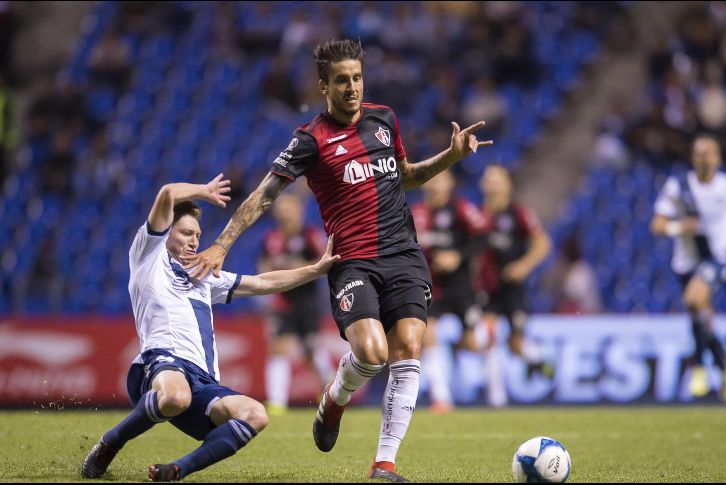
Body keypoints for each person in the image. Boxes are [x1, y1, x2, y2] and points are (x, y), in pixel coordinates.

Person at [185, 39, 492, 482]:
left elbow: (404, 178)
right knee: (371, 353)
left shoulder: (384, 119)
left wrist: (451, 157)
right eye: (342, 80)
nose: (352, 87)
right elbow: (264, 196)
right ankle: (335, 396)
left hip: (404, 254)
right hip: (353, 261)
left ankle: (384, 464)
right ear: (323, 86)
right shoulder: (310, 140)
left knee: (408, 348)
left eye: (357, 78)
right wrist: (222, 244)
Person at [81, 174, 339, 481]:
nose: (194, 241)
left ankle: (177, 471)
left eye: (198, 235)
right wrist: (203, 192)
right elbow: (166, 192)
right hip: (161, 364)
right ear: (165, 234)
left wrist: (315, 269)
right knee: (176, 397)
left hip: (203, 382)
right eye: (187, 233)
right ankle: (109, 444)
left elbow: (262, 282)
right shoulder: (148, 257)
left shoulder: (204, 274)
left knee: (256, 414)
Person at [650, 134, 726, 403]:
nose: (704, 158)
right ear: (692, 158)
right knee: (700, 315)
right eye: (699, 153)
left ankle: (698, 365)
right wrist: (679, 227)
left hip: (717, 257)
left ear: (718, 158)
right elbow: (657, 225)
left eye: (709, 153)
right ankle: (725, 364)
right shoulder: (678, 187)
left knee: (693, 300)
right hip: (685, 262)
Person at [412, 169, 488, 413]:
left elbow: (483, 238)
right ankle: (441, 398)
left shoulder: (462, 209)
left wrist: (458, 256)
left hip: (463, 287)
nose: (435, 184)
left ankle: (496, 384)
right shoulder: (416, 214)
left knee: (472, 343)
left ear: (450, 183)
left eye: (441, 179)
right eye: (431, 179)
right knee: (428, 335)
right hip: (431, 286)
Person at [476, 164, 552, 407]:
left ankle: (540, 359)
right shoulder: (477, 215)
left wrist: (524, 266)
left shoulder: (518, 213)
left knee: (516, 345)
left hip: (512, 289)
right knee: (488, 337)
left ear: (508, 184)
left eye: (497, 179)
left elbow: (543, 243)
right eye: (488, 179)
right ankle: (496, 398)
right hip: (487, 288)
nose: (492, 183)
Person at [260, 192, 334, 415]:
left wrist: (303, 266)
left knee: (311, 350)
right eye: (281, 208)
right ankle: (277, 402)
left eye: (288, 208)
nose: (284, 213)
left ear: (298, 211)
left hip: (307, 300)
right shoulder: (271, 238)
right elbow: (263, 263)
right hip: (283, 300)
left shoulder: (309, 235)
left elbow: (324, 261)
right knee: (278, 348)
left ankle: (330, 389)